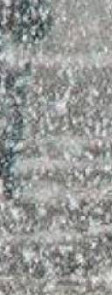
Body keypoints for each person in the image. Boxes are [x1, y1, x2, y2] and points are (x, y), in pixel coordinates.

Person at [0, 0, 52, 200]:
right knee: (12, 117)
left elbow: (41, 24)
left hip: (15, 57)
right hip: (15, 56)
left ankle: (8, 175)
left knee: (13, 118)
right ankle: (8, 176)